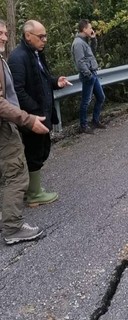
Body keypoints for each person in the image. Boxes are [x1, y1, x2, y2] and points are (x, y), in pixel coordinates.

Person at [8, 20, 70, 207]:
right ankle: (33, 194)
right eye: (41, 36)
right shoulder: (18, 58)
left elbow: (41, 79)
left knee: (42, 150)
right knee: (34, 152)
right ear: (28, 36)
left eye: (45, 36)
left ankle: (33, 189)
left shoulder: (36, 54)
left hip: (42, 114)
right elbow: (18, 91)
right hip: (33, 118)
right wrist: (34, 112)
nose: (45, 40)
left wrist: (55, 82)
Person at [0, 19, 49, 244]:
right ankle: (12, 228)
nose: (4, 37)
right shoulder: (17, 58)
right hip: (4, 127)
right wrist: (27, 119)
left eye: (5, 32)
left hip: (8, 122)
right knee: (16, 175)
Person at [71, 19, 106, 134]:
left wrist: (93, 39)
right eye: (90, 28)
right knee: (86, 101)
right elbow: (80, 62)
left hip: (92, 73)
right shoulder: (78, 43)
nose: (91, 29)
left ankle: (95, 120)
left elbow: (92, 54)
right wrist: (89, 75)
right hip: (88, 75)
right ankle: (83, 125)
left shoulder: (84, 41)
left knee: (101, 97)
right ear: (84, 29)